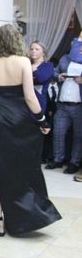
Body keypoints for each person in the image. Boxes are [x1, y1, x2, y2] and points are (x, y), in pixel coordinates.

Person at [0, 24, 61, 237]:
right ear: (17, 41)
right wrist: (42, 121)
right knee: (23, 166)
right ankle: (24, 213)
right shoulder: (23, 62)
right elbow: (30, 97)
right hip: (20, 119)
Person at [46, 33, 82, 174]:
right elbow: (54, 73)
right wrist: (59, 76)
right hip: (62, 103)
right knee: (58, 132)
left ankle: (74, 162)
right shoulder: (64, 59)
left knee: (78, 136)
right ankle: (58, 159)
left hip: (78, 105)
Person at [29, 40, 55, 163]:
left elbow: (41, 78)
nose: (33, 51)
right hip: (23, 103)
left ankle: (34, 163)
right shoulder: (27, 63)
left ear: (43, 52)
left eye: (37, 49)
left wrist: (33, 70)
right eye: (31, 49)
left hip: (38, 102)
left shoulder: (48, 66)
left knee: (34, 134)